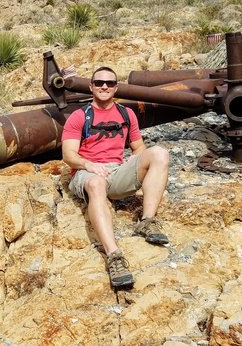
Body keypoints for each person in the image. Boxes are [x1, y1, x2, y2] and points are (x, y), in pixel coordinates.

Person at [61, 66, 170, 288]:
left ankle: (147, 222)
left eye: (110, 83)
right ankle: (114, 256)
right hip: (86, 171)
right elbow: (68, 156)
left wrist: (132, 163)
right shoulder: (80, 116)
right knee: (96, 182)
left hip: (116, 171)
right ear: (91, 87)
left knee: (160, 153)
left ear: (116, 88)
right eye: (99, 82)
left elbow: (139, 148)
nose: (104, 87)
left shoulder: (126, 114)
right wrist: (88, 164)